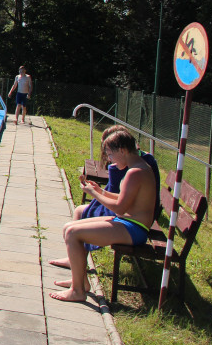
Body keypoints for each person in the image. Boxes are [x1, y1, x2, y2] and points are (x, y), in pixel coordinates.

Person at [50, 129, 158, 303]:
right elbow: (125, 200)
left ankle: (78, 291)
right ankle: (81, 281)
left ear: (122, 150)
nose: (109, 159)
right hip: (130, 223)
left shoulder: (135, 172)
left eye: (110, 154)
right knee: (69, 227)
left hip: (134, 229)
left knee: (72, 233)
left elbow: (120, 208)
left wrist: (94, 193)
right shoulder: (138, 168)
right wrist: (101, 191)